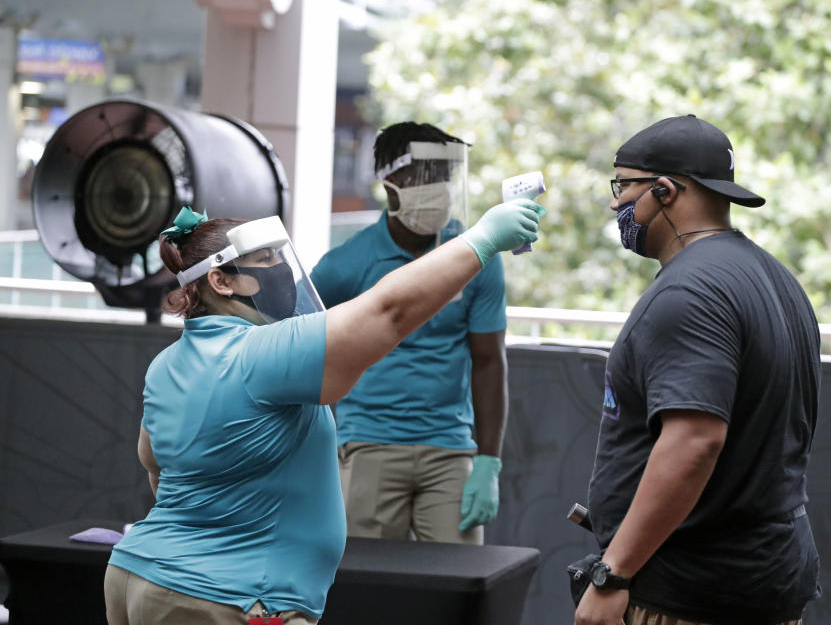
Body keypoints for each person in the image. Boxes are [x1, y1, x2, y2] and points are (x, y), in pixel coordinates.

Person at [103, 196, 543, 625]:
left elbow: (156, 467)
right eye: (266, 260)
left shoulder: (166, 364)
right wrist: (482, 239)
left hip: (140, 574)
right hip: (225, 596)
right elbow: (388, 312)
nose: (282, 270)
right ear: (222, 281)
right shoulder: (261, 353)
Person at [574, 115, 821, 625]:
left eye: (623, 186)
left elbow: (695, 441)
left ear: (665, 190)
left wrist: (613, 573)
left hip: (691, 592)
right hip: (759, 576)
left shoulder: (690, 292)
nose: (616, 203)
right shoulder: (773, 277)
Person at [310, 122, 509, 544]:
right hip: (368, 445)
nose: (438, 186)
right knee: (368, 589)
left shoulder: (476, 256)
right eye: (424, 175)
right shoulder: (345, 264)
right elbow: (298, 347)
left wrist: (489, 462)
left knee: (458, 590)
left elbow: (489, 361)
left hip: (451, 449)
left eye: (444, 175)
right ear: (390, 182)